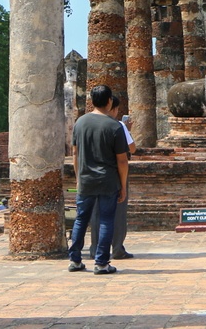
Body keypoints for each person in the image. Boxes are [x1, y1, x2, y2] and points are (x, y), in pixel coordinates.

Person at [67, 84, 129, 275]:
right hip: (108, 181)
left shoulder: (80, 123)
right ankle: (101, 263)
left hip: (85, 180)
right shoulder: (115, 126)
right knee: (106, 220)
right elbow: (122, 160)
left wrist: (78, 178)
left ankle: (75, 260)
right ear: (110, 101)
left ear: (91, 101)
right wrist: (123, 185)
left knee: (80, 220)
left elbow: (75, 154)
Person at [90, 96, 137, 261]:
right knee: (117, 213)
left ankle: (94, 248)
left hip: (92, 173)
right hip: (114, 175)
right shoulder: (118, 126)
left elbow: (76, 152)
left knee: (96, 214)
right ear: (112, 106)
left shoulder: (85, 123)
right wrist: (127, 130)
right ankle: (117, 248)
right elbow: (129, 152)